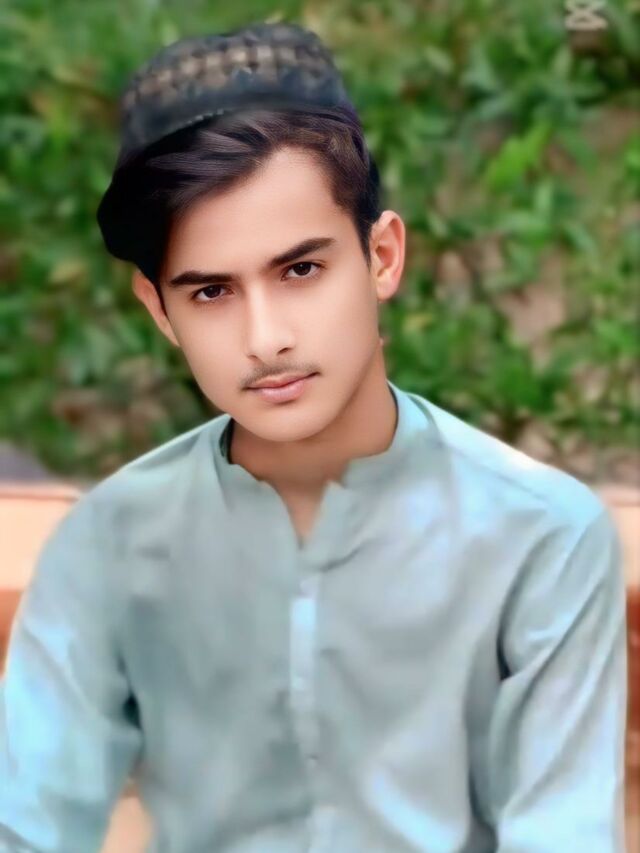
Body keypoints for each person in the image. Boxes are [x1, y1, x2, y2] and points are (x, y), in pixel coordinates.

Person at [0, 20, 628, 853]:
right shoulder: (109, 544)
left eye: (301, 269)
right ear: (160, 310)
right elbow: (26, 825)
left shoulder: (541, 536)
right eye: (212, 291)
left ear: (382, 256)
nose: (266, 338)